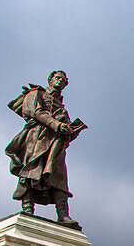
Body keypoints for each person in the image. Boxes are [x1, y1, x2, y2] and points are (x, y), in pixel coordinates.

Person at [5, 70, 86, 230]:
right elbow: (34, 112)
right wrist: (57, 125)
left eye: (63, 80)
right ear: (50, 79)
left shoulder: (62, 109)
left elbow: (67, 131)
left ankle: (62, 214)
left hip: (56, 145)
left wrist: (71, 131)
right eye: (57, 78)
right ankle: (27, 208)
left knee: (59, 177)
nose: (60, 81)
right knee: (31, 171)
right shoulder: (36, 93)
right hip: (36, 138)